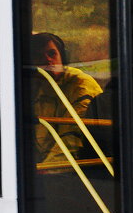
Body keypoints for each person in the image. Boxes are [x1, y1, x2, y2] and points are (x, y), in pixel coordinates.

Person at [31, 32, 103, 164]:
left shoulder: (80, 84)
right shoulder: (38, 88)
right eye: (38, 56)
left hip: (82, 166)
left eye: (52, 54)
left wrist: (46, 170)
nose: (47, 60)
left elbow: (70, 139)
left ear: (62, 56)